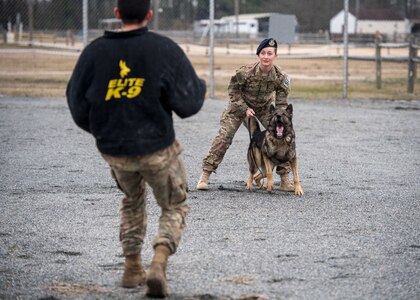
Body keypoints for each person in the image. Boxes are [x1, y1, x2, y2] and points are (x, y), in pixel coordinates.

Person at [66, 0, 206, 297]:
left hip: (116, 151)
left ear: (117, 15)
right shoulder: (163, 49)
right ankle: (159, 260)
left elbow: (77, 105)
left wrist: (104, 131)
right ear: (150, 15)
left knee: (132, 200)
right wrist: (201, 85)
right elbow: (189, 103)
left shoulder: (94, 53)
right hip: (158, 150)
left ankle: (131, 268)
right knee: (173, 205)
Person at [196, 38, 294, 191]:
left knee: (281, 134)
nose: (266, 57)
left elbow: (281, 104)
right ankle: (205, 175)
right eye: (263, 53)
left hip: (264, 108)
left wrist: (279, 120)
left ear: (276, 56)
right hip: (239, 107)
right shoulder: (245, 72)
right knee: (224, 137)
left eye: (270, 53)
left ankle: (284, 179)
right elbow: (233, 91)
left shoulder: (281, 77)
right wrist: (244, 109)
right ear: (258, 55)